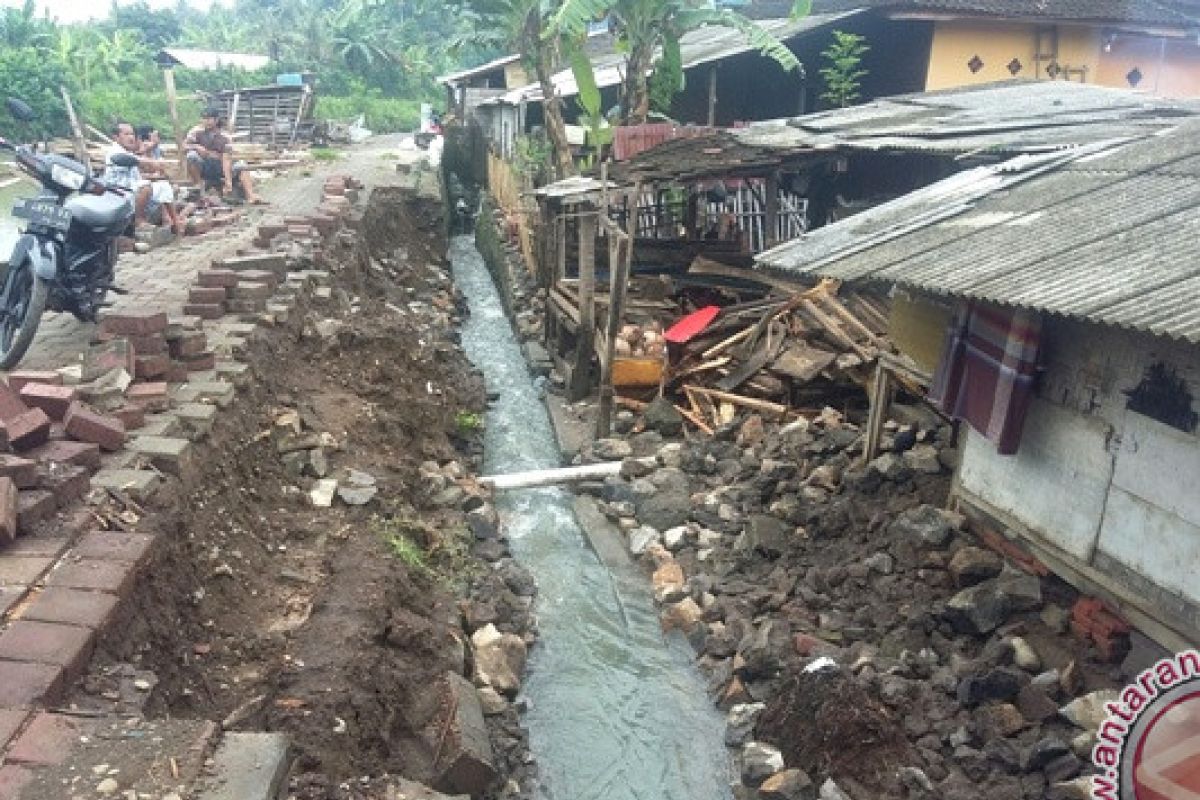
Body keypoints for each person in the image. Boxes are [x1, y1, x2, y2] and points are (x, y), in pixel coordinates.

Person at [184, 107, 264, 205]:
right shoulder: (196, 131)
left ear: (216, 120)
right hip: (204, 166)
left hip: (220, 166)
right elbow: (184, 146)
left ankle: (251, 196)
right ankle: (198, 185)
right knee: (191, 155)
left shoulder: (225, 136)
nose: (205, 121)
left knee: (241, 165)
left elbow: (226, 159)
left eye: (209, 119)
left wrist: (228, 181)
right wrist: (196, 147)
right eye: (203, 118)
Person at [134, 124, 187, 235]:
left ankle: (172, 219)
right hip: (143, 188)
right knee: (161, 187)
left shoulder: (156, 150)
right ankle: (169, 219)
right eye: (155, 135)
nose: (157, 138)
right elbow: (141, 174)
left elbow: (163, 171)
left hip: (153, 186)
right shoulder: (138, 151)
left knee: (170, 188)